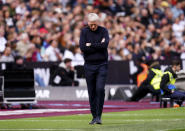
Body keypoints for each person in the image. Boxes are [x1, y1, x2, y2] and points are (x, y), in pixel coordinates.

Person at [79, 13, 109, 125]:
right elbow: (82, 47)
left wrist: (90, 45)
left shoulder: (104, 31)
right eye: (91, 25)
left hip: (102, 64)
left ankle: (99, 116)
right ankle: (94, 116)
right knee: (91, 92)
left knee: (100, 89)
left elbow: (104, 45)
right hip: (89, 65)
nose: (93, 27)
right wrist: (97, 45)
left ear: (98, 23)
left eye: (95, 25)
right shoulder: (84, 31)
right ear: (88, 23)